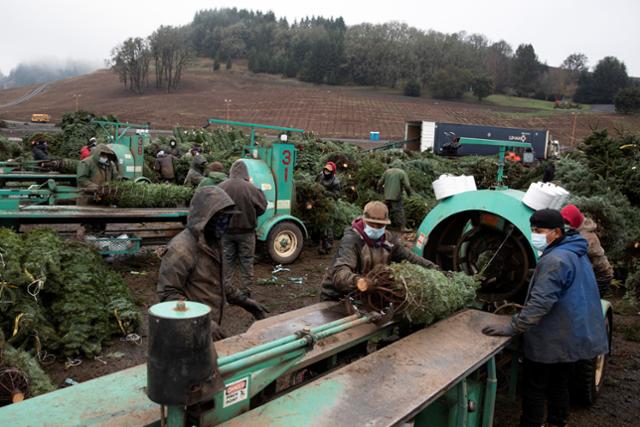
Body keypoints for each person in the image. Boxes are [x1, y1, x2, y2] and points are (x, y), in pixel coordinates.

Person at [482, 209, 609, 427]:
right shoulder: (576, 252)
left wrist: (513, 326)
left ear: (556, 232)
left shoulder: (555, 260)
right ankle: (557, 422)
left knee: (535, 388)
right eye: (532, 230)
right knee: (559, 384)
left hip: (552, 338)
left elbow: (540, 304)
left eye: (538, 230)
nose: (534, 235)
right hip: (570, 336)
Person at [157, 186, 268, 341]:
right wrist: (202, 322)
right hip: (187, 331)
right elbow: (168, 294)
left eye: (228, 218)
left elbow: (218, 282)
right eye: (221, 218)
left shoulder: (214, 242)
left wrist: (244, 301)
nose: (226, 224)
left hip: (209, 326)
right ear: (205, 217)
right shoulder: (181, 249)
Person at [320, 201, 439, 300]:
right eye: (372, 224)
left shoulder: (388, 240)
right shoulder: (352, 240)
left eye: (380, 226)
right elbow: (340, 272)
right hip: (337, 296)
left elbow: (410, 258)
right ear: (364, 221)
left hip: (363, 294)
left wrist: (434, 268)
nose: (376, 228)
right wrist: (358, 281)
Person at [218, 160, 267, 297]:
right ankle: (246, 292)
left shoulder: (221, 186)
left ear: (231, 171)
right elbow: (262, 207)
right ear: (246, 172)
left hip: (226, 232)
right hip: (247, 232)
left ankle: (227, 291)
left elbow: (215, 208)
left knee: (227, 262)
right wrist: (252, 214)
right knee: (246, 262)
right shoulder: (251, 188)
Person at [561, 204, 614, 296]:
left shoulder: (586, 238)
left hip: (600, 277)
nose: (564, 224)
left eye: (567, 222)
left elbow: (571, 255)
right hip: (591, 272)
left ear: (574, 221)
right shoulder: (577, 227)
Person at [316, 161, 341, 254]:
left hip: (329, 205)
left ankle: (328, 246)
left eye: (328, 171)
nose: (326, 172)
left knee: (328, 226)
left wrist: (325, 192)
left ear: (332, 172)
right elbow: (315, 184)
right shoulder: (320, 176)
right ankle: (318, 242)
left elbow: (337, 195)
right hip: (319, 202)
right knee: (319, 224)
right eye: (325, 170)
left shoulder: (335, 182)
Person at [378, 166, 412, 232]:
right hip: (396, 196)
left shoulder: (387, 172)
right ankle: (402, 227)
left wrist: (380, 191)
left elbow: (380, 183)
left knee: (386, 211)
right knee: (399, 211)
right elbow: (407, 186)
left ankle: (382, 226)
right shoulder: (402, 173)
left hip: (386, 196)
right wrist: (409, 194)